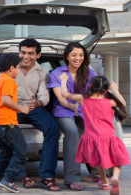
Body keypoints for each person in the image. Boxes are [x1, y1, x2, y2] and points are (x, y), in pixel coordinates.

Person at [0, 39, 61, 191]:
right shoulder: (6, 67)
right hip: (11, 107)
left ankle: (47, 176)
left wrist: (37, 103)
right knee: (12, 138)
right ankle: (22, 176)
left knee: (53, 129)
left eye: (31, 53)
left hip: (32, 107)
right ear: (19, 52)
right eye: (23, 52)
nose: (26, 56)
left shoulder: (43, 72)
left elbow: (45, 96)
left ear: (38, 55)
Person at [59, 73, 131, 195]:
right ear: (106, 90)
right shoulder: (109, 102)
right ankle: (114, 178)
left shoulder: (83, 99)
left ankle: (104, 182)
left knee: (98, 161)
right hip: (109, 136)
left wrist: (63, 81)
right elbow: (123, 103)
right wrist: (115, 90)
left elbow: (64, 94)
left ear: (90, 86)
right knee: (117, 159)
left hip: (92, 137)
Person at [47, 42, 97, 190]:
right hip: (63, 110)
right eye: (74, 55)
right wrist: (72, 106)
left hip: (84, 110)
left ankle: (99, 174)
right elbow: (61, 99)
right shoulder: (57, 73)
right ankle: (72, 178)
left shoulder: (89, 73)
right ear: (67, 56)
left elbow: (96, 94)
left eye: (81, 55)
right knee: (72, 132)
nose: (78, 58)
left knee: (95, 132)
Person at [0, 53, 30, 193]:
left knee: (5, 152)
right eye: (18, 68)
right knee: (21, 152)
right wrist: (21, 108)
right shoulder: (9, 81)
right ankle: (8, 180)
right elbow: (6, 100)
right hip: (7, 124)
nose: (19, 70)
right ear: (11, 68)